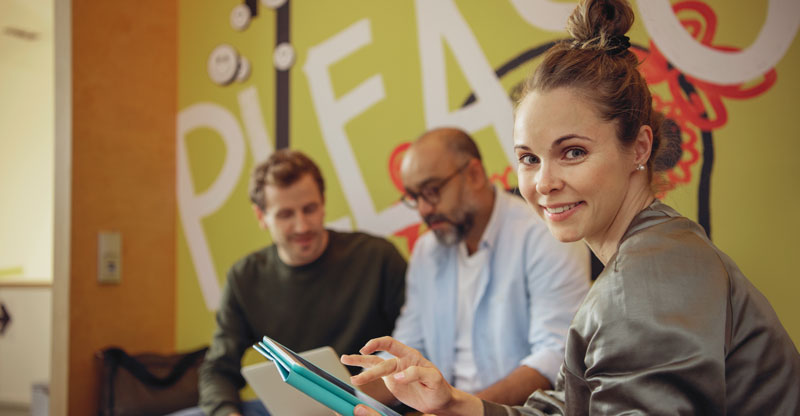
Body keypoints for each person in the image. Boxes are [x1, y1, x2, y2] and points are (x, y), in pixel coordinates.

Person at [340, 1, 800, 415]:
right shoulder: (648, 255)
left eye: (573, 152)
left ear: (639, 147)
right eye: (529, 158)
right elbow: (569, 407)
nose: (543, 183)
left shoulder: (644, 278)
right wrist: (457, 405)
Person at [376, 128, 590, 406]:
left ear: (474, 174)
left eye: (432, 191)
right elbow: (407, 349)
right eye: (415, 198)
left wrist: (458, 409)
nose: (424, 210)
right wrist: (342, 395)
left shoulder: (542, 234)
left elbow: (555, 356)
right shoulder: (428, 251)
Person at [196, 150, 407, 416]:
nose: (302, 226)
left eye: (310, 209)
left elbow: (416, 345)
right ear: (261, 216)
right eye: (285, 214)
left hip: (365, 406)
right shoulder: (244, 277)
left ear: (323, 203)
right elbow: (218, 369)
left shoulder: (378, 258)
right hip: (281, 409)